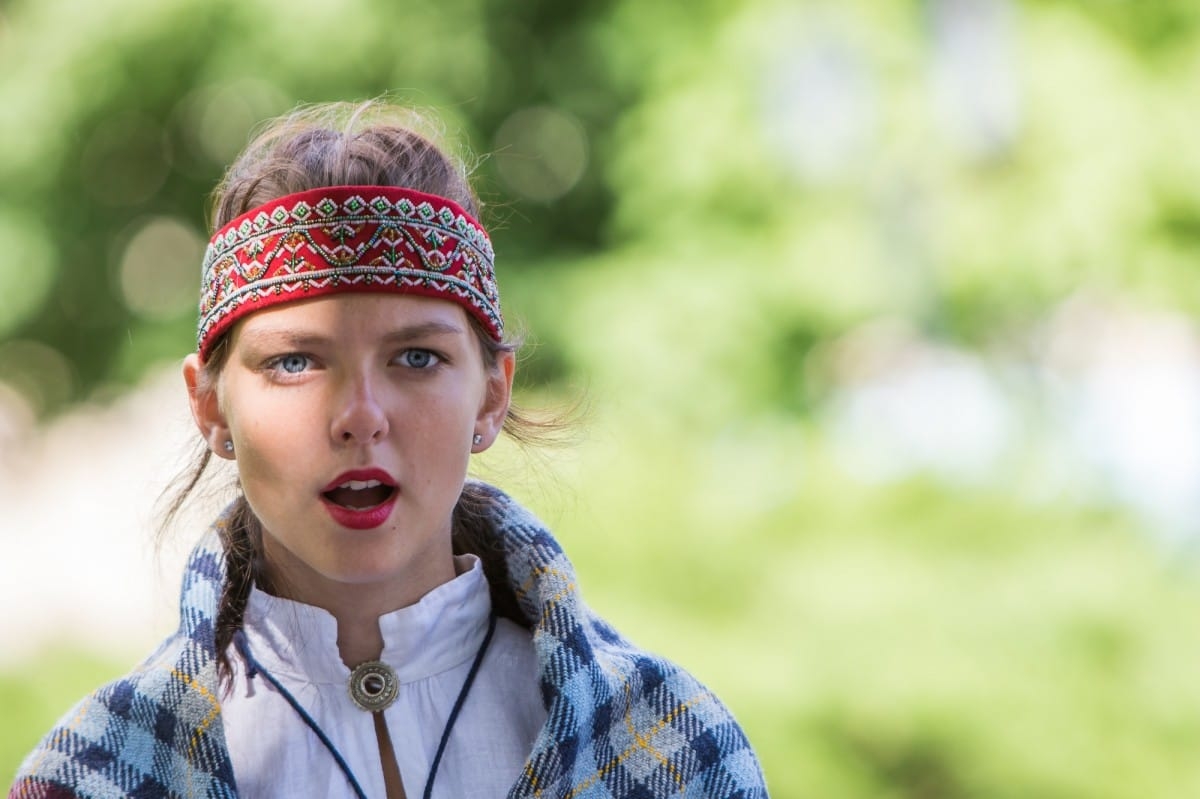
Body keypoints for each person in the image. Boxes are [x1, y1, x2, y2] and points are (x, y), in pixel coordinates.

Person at [9, 101, 768, 799]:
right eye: (295, 361)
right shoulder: (90, 775)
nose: (359, 417)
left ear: (493, 392)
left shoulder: (678, 755)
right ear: (210, 406)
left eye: (415, 358)